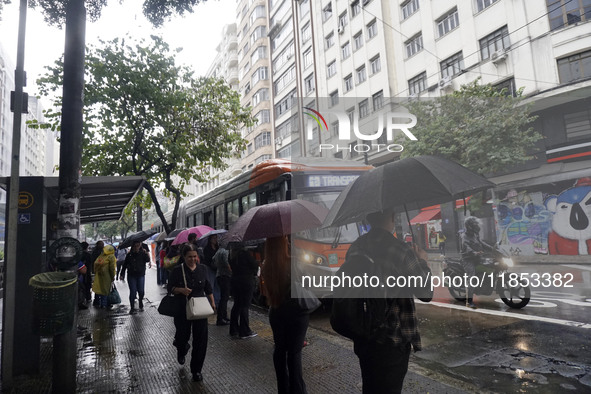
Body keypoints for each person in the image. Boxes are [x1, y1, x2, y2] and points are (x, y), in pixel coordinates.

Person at [350, 209, 432, 394]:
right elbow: (426, 293)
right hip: (392, 340)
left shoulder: (355, 247)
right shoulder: (400, 250)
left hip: (364, 337)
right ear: (392, 217)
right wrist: (423, 262)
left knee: (370, 387)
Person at [261, 236, 310, 394]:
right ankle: (298, 390)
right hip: (296, 314)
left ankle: (283, 389)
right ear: (283, 244)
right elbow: (307, 282)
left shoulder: (266, 265)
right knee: (294, 353)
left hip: (276, 312)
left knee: (280, 350)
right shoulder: (294, 261)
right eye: (286, 240)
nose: (288, 241)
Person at [167, 243, 216, 383]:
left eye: (195, 257)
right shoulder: (177, 270)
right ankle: (181, 349)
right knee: (183, 336)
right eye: (189, 257)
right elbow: (170, 288)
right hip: (182, 308)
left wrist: (212, 301)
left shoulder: (202, 269)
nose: (193, 259)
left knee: (201, 340)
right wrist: (180, 290)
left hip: (200, 308)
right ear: (184, 257)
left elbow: (207, 286)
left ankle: (196, 370)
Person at [460, 216, 494, 309]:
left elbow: (481, 243)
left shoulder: (475, 234)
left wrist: (493, 248)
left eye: (476, 224)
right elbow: (466, 246)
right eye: (475, 224)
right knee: (472, 278)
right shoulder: (464, 236)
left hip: (478, 257)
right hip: (468, 259)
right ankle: (469, 301)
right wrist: (473, 252)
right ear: (469, 226)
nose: (477, 226)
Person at [229, 244, 259, 339]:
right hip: (246, 282)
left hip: (235, 281)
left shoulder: (232, 255)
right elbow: (254, 265)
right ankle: (245, 331)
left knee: (237, 305)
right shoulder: (245, 254)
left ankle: (233, 329)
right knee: (245, 306)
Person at [121, 240, 151, 312]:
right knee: (133, 291)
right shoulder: (129, 254)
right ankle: (132, 307)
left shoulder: (142, 253)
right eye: (135, 246)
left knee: (141, 291)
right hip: (131, 275)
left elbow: (147, 260)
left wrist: (146, 253)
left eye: (138, 246)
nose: (136, 247)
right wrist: (122, 274)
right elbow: (125, 265)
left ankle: (140, 301)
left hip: (140, 274)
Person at [92, 244, 117, 309]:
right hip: (107, 276)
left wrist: (95, 272)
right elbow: (112, 268)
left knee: (99, 288)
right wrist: (112, 276)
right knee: (106, 290)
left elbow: (95, 264)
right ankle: (104, 304)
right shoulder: (111, 256)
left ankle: (98, 302)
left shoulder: (101, 256)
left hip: (99, 275)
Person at [213, 247, 231, 326]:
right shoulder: (225, 252)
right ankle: (221, 318)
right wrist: (232, 271)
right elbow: (227, 263)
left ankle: (224, 316)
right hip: (225, 276)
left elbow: (213, 260)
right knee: (224, 298)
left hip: (219, 275)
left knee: (223, 297)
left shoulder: (218, 251)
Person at [202, 234, 221, 306]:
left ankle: (217, 302)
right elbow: (207, 259)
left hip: (217, 268)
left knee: (217, 285)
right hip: (210, 268)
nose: (215, 240)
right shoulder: (207, 248)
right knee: (211, 285)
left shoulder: (217, 248)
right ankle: (210, 302)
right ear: (210, 239)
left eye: (216, 238)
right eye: (214, 238)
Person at [90, 240, 104, 306]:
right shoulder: (98, 252)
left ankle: (97, 300)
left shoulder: (95, 252)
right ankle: (99, 300)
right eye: (101, 244)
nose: (103, 245)